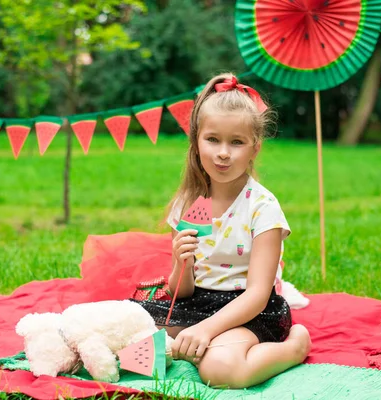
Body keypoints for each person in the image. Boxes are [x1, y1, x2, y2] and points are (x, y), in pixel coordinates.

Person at [132, 72, 311, 389]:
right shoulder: (186, 205)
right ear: (197, 142)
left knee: (219, 370)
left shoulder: (263, 209)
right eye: (213, 139)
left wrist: (206, 330)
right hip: (196, 303)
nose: (223, 152)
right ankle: (185, 349)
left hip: (249, 311)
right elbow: (179, 292)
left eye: (237, 142)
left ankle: (293, 348)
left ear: (254, 149)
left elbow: (257, 294)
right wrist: (181, 263)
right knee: (126, 333)